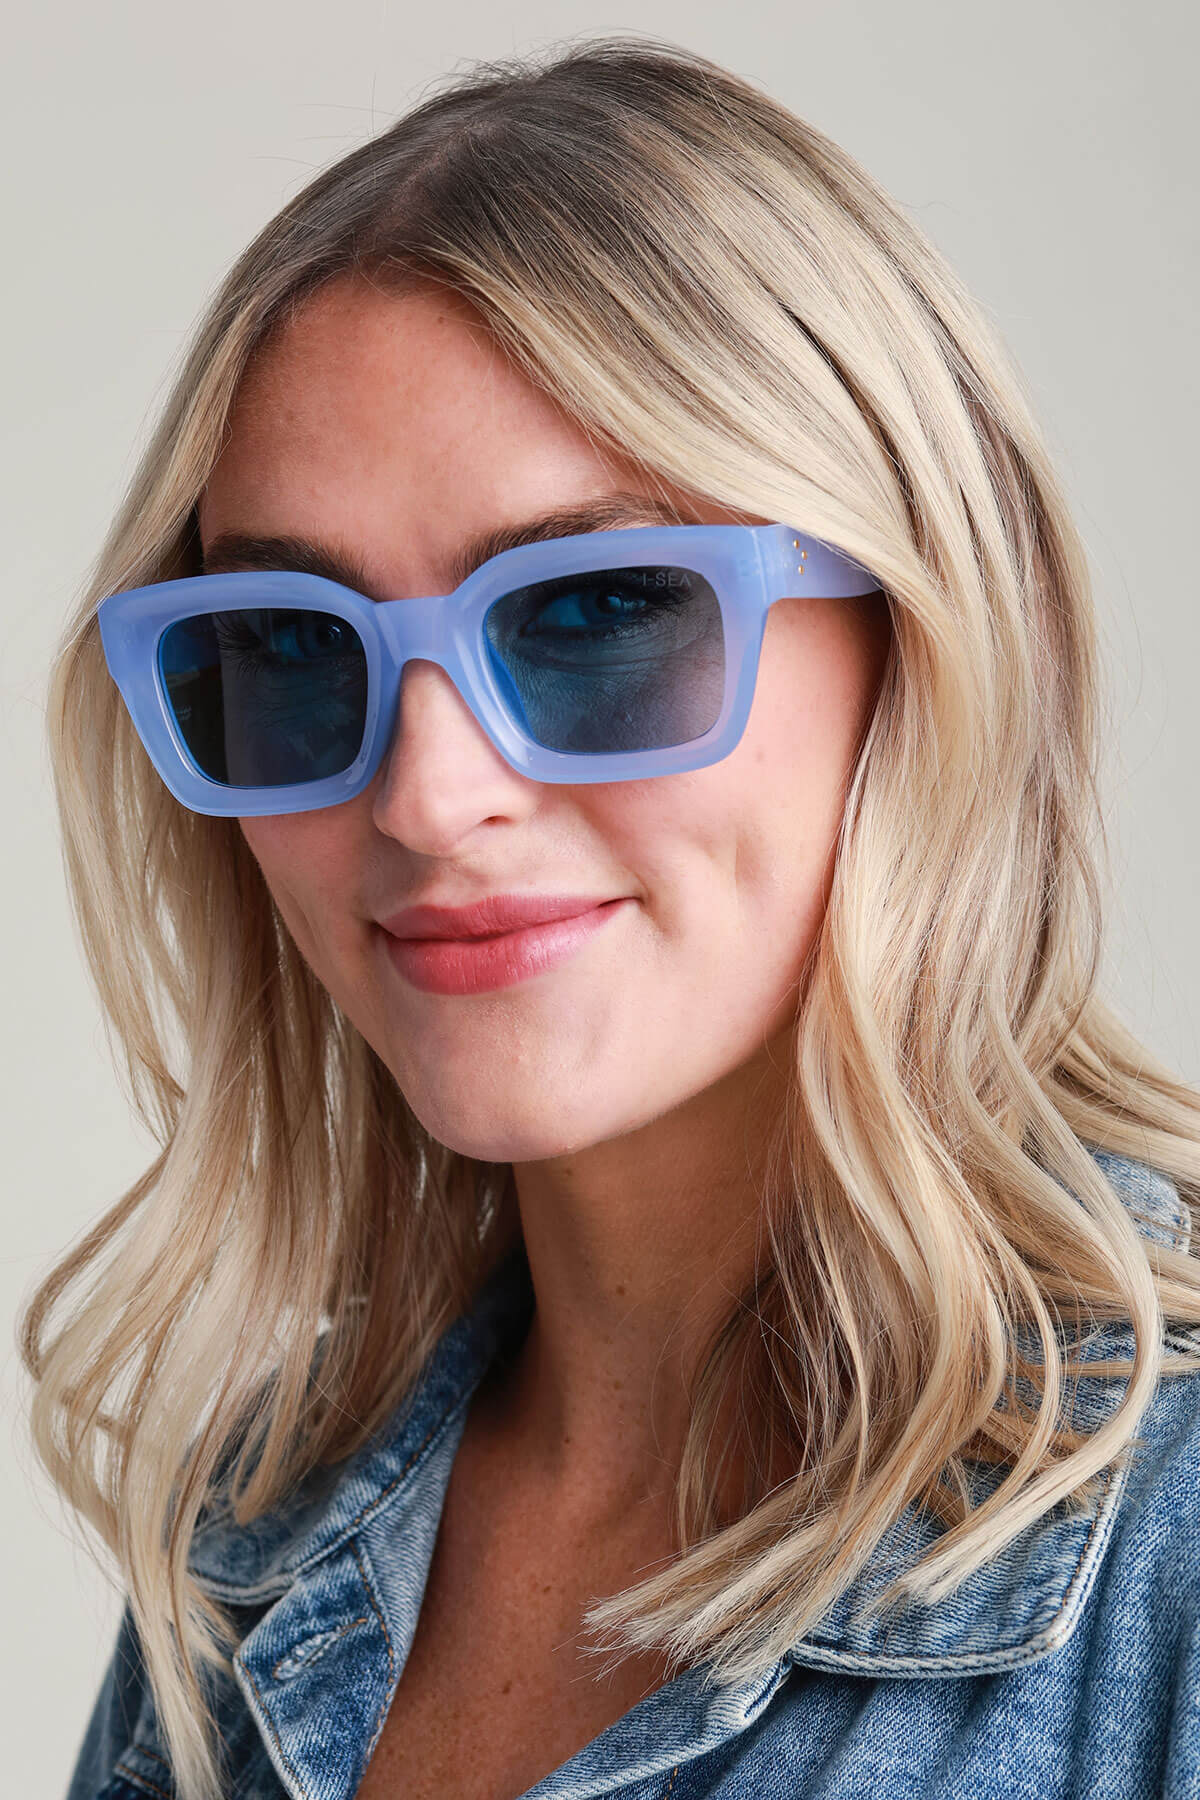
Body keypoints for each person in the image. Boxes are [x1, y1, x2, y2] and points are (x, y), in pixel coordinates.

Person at [22, 34, 1200, 1800]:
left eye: (595, 612)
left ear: (921, 639)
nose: (428, 797)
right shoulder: (247, 1541)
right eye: (288, 648)